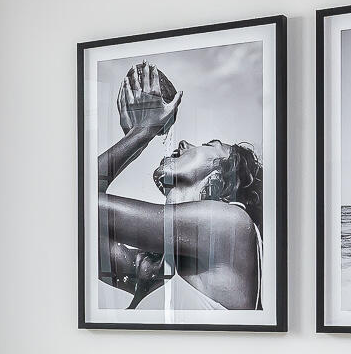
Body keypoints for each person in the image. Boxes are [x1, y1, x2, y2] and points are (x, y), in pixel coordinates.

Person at [95, 62, 262, 310]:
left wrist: (143, 132)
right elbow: (71, 209)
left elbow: (81, 204)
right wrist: (135, 137)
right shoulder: (152, 268)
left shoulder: (232, 225)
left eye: (209, 145)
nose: (183, 143)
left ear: (219, 176)